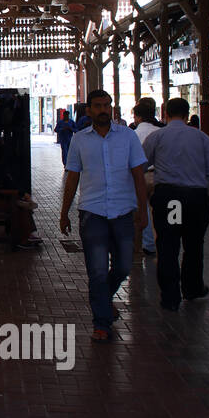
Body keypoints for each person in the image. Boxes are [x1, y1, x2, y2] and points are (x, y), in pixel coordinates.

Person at [59, 89, 148, 344]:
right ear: (88, 110)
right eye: (97, 106)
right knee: (97, 271)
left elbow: (138, 175)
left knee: (122, 266)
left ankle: (104, 301)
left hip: (122, 211)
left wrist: (143, 211)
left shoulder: (128, 137)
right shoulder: (79, 140)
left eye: (107, 105)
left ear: (112, 108)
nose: (103, 110)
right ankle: (101, 323)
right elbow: (72, 177)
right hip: (92, 212)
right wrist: (64, 213)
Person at [143, 98, 209, 312]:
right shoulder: (201, 137)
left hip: (171, 198)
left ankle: (170, 297)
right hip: (195, 199)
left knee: (168, 246)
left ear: (166, 114)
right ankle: (192, 289)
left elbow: (141, 162)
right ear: (186, 114)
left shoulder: (157, 136)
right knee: (193, 245)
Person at [0, 142, 40, 248]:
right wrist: (22, 193)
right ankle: (24, 237)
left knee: (20, 204)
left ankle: (27, 234)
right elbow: (8, 186)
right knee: (20, 207)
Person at [129, 97, 165, 256]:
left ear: (138, 117)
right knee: (161, 210)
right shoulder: (160, 132)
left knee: (142, 209)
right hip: (160, 176)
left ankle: (148, 244)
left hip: (141, 176)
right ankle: (164, 240)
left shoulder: (133, 134)